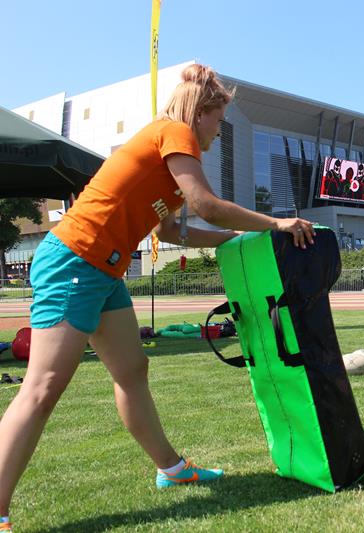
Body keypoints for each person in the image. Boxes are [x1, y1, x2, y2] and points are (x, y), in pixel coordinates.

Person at [0, 64, 316, 532]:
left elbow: (170, 231)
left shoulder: (170, 159)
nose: (218, 133)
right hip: (75, 261)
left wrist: (237, 239)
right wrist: (275, 223)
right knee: (42, 388)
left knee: (132, 371)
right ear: (200, 112)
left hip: (104, 271)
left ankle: (171, 469)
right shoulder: (174, 132)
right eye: (218, 121)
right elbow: (207, 205)